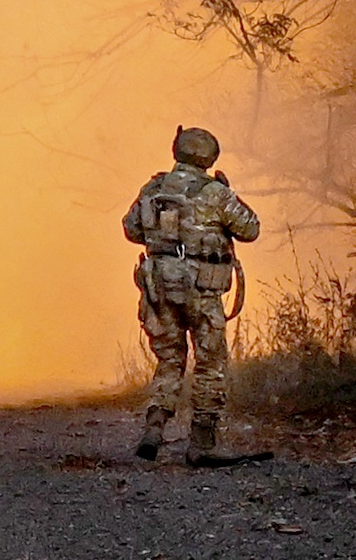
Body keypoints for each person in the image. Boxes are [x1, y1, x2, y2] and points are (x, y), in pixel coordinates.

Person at [122, 126, 259, 463]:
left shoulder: (153, 188)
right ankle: (203, 444)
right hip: (202, 289)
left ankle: (154, 430)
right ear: (209, 157)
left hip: (159, 287)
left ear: (177, 151)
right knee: (210, 363)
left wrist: (167, 239)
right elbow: (251, 228)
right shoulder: (215, 192)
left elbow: (130, 228)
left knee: (169, 360)